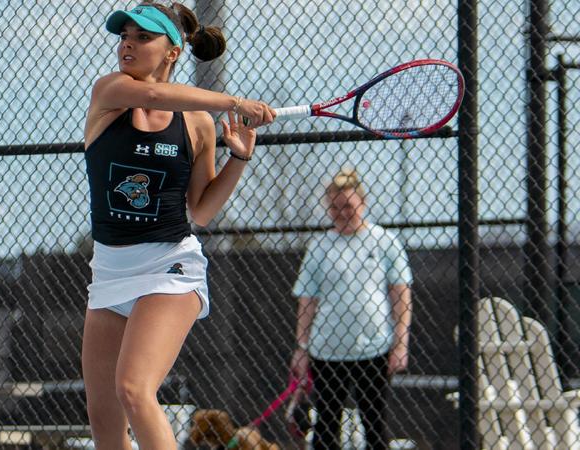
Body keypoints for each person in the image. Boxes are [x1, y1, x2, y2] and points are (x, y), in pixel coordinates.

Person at [82, 2, 276, 449]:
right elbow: (152, 96)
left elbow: (202, 211)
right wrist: (235, 101)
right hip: (110, 270)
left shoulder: (198, 124)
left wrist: (240, 157)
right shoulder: (109, 93)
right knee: (104, 418)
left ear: (172, 52)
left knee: (133, 388)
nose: (127, 43)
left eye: (143, 37)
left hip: (170, 267)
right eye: (125, 34)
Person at [289, 169, 413, 450]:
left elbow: (401, 295)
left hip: (374, 349)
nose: (341, 212)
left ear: (363, 203)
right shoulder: (320, 245)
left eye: (348, 206)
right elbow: (307, 300)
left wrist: (400, 343)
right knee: (326, 428)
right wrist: (302, 347)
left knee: (374, 426)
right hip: (326, 351)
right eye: (334, 207)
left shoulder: (384, 241)